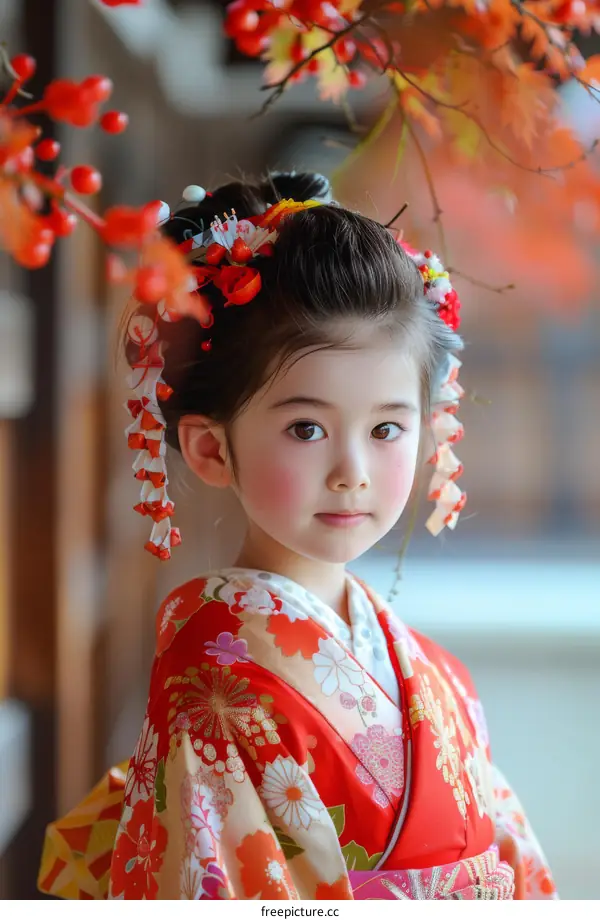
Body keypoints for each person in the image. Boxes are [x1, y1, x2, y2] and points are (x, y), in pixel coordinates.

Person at [38, 172, 557, 900]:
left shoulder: (433, 675)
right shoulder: (215, 676)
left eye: (386, 428)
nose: (352, 471)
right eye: (306, 428)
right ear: (212, 450)